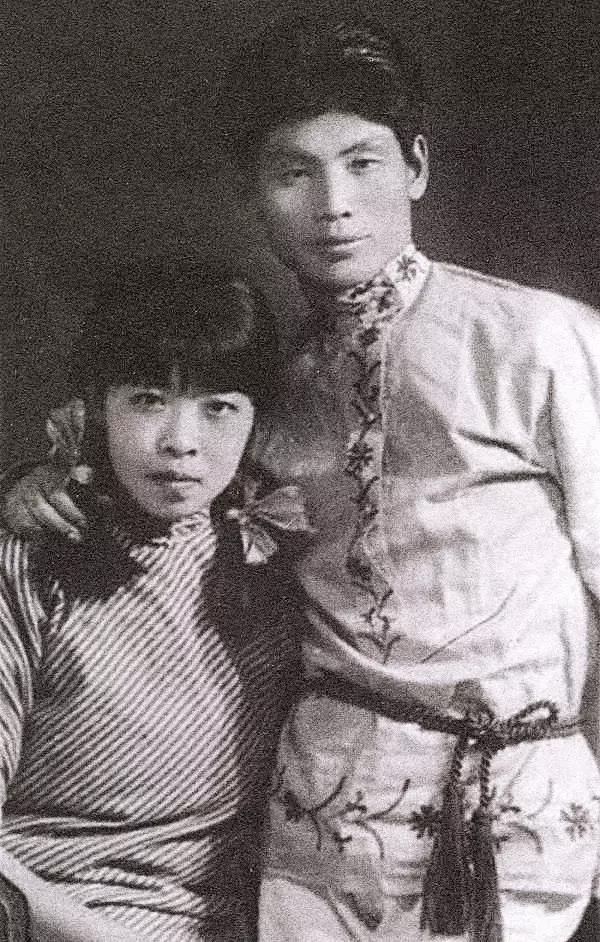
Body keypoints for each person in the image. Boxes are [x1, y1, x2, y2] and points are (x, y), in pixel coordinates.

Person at [4, 13, 600, 942]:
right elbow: (163, 479)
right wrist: (34, 482)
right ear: (254, 194)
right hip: (311, 823)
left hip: (507, 818)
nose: (333, 205)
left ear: (417, 168)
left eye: (362, 164)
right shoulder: (265, 385)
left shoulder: (541, 340)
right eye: (294, 173)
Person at [0, 261, 308, 941]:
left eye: (218, 407)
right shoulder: (28, 560)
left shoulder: (283, 565)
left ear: (257, 422)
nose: (180, 442)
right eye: (146, 400)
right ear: (94, 408)